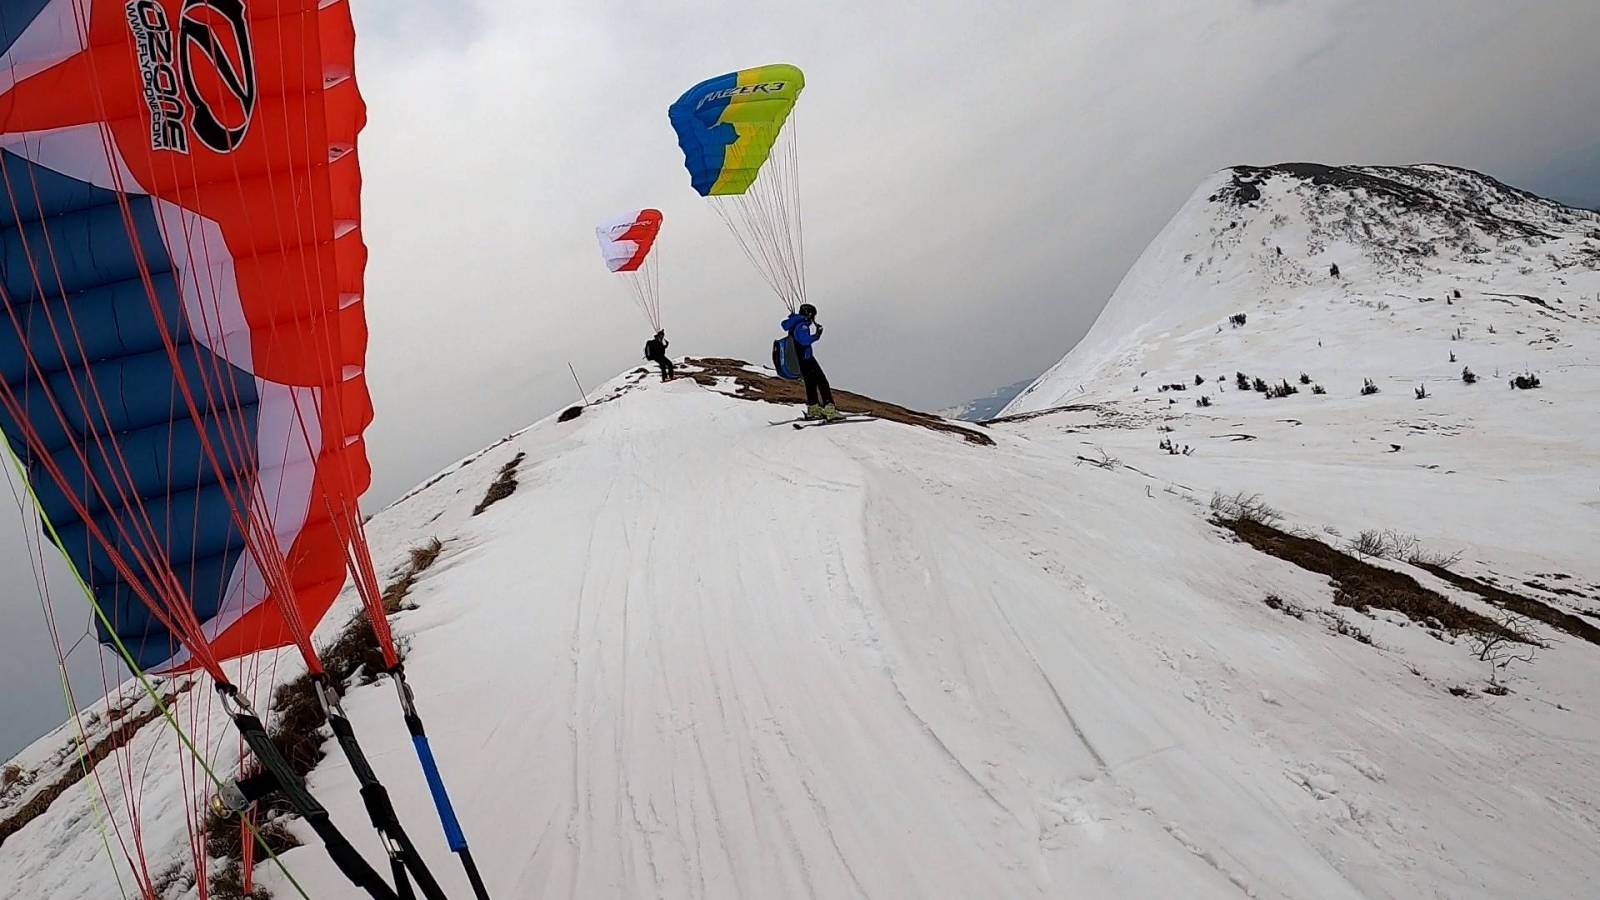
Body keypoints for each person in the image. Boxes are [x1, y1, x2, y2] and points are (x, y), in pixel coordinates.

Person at [780, 303, 837, 419]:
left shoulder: (794, 323)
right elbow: (804, 340)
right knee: (821, 381)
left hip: (800, 360)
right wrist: (817, 335)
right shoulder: (802, 325)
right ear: (809, 314)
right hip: (807, 358)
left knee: (810, 383)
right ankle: (829, 409)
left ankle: (814, 408)